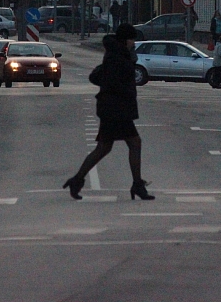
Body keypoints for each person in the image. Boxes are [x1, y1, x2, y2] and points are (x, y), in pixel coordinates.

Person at [63, 23, 154, 201]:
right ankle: (137, 185)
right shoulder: (116, 56)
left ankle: (77, 180)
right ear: (125, 39)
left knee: (104, 147)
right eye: (132, 39)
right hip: (116, 109)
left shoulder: (117, 54)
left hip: (112, 108)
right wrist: (125, 91)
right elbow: (114, 81)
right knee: (134, 143)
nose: (133, 43)